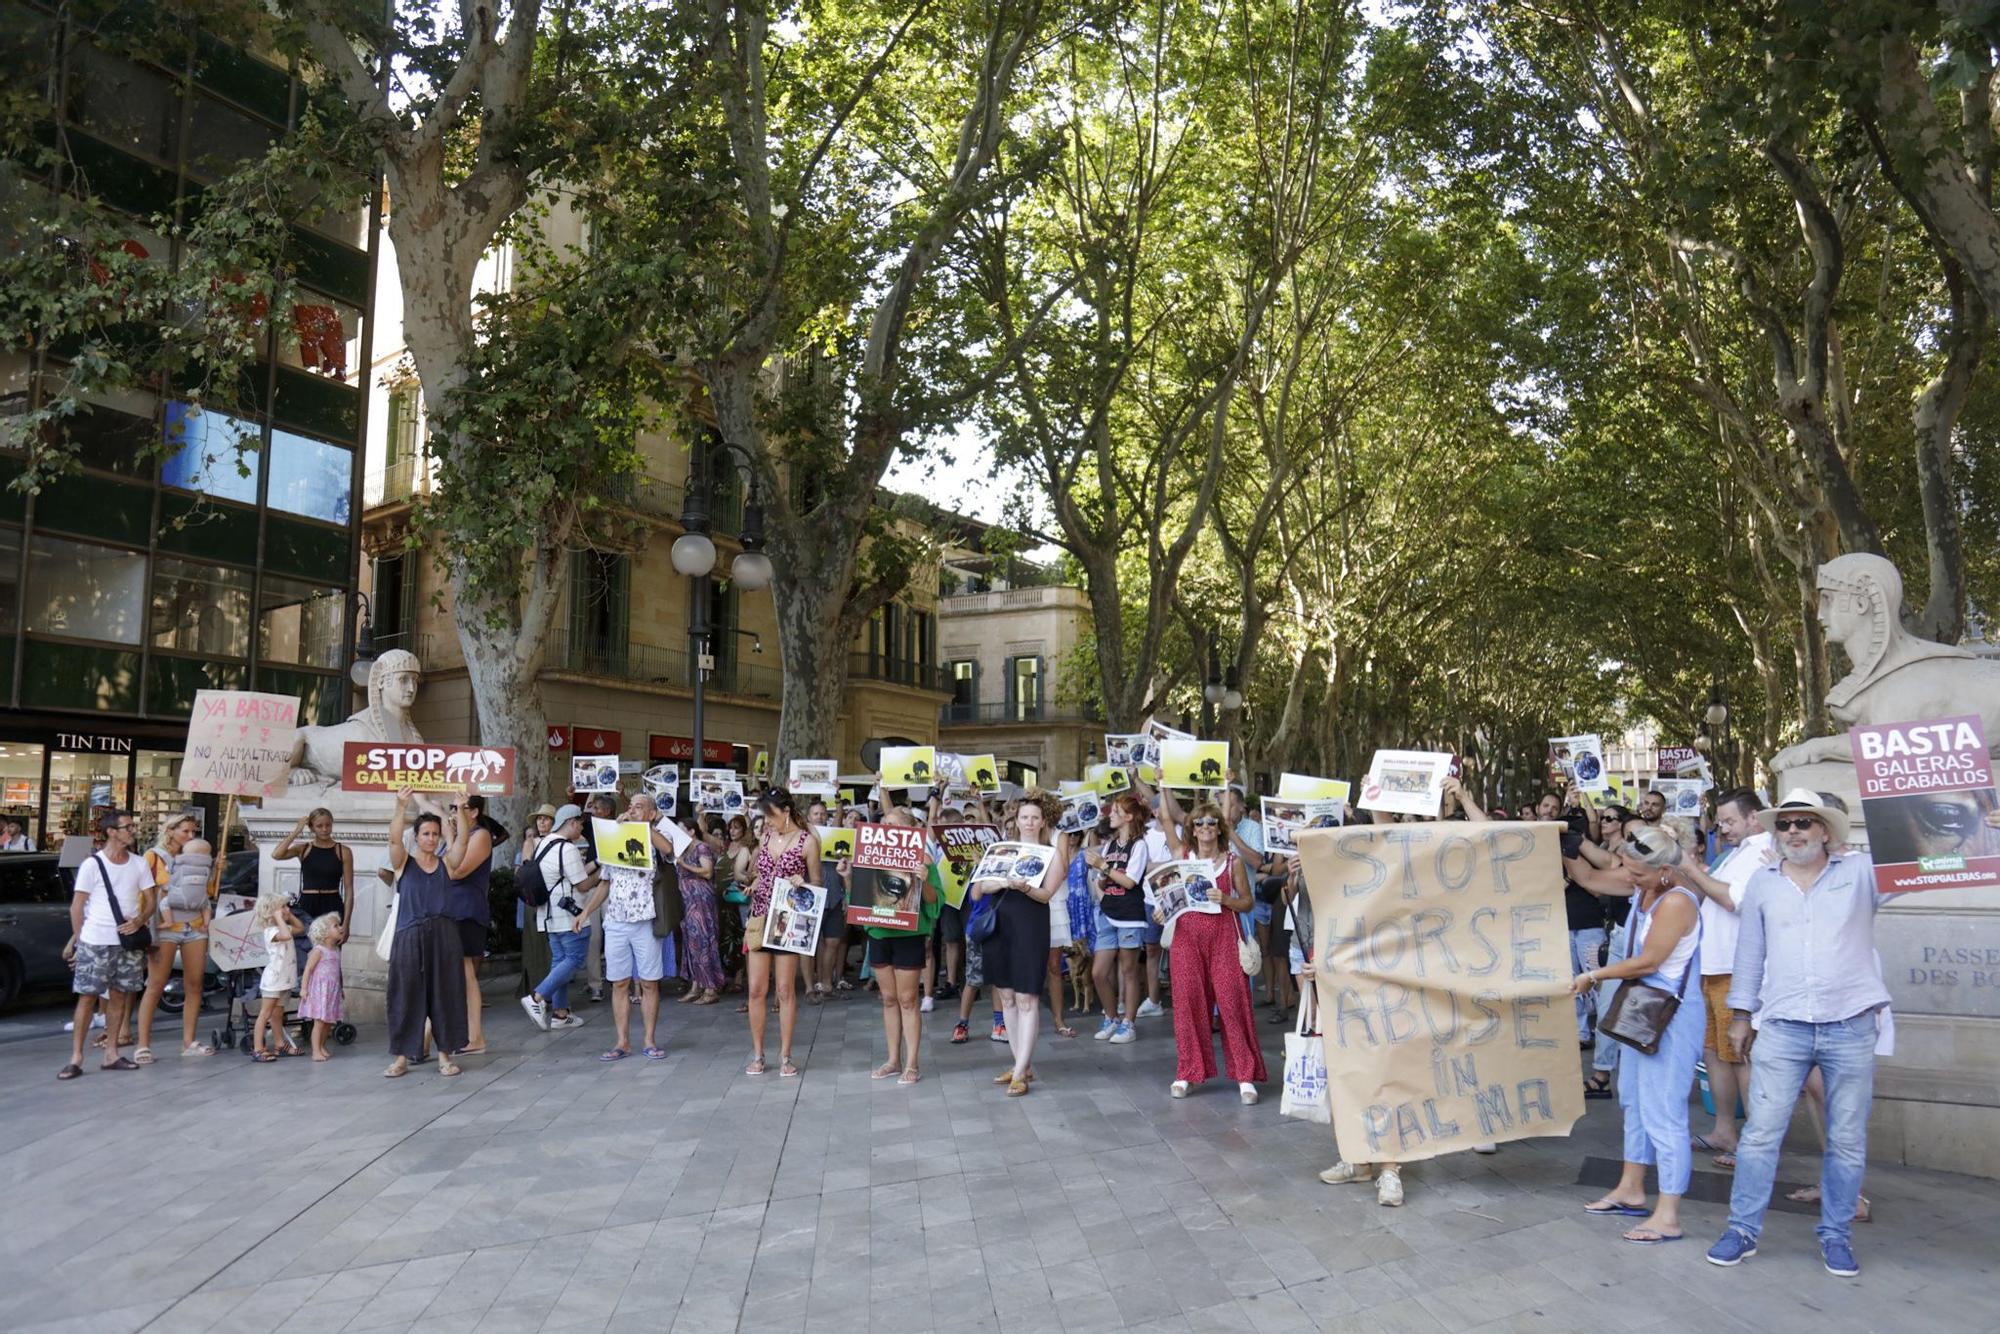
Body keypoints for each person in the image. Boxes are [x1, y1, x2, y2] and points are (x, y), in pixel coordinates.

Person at [1707, 790, 1897, 1279]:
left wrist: (1986, 837)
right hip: (1783, 1026)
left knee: (1848, 1140)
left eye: (1804, 823)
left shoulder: (1860, 873)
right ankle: (1742, 1230)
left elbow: (1929, 870)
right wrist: (1742, 1014)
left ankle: (1836, 1235)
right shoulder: (1764, 884)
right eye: (1785, 823)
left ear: (1825, 831)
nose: (1793, 831)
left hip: (1850, 1024)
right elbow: (1750, 954)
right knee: (1760, 1136)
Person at [1571, 823, 1703, 1245]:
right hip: (1641, 1008)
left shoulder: (1678, 900)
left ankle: (1668, 1214)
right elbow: (1589, 877)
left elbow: (1650, 961)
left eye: (1637, 874)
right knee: (1634, 1101)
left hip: (1670, 1015)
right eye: (1626, 870)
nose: (1629, 879)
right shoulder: (1645, 886)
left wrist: (1595, 974)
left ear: (1664, 870)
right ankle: (1631, 1188)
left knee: (1665, 1111)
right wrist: (1562, 842)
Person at [1661, 789, 1769, 1160]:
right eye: (1720, 821)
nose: (1722, 829)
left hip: (1734, 969)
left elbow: (1733, 900)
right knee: (1713, 1053)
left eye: (1729, 821)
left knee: (1739, 1054)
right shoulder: (1735, 853)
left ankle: (1755, 1143)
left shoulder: (1761, 851)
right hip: (1711, 965)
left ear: (1754, 817)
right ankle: (1725, 1130)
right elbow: (1709, 893)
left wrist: (1688, 867)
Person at [1155, 792, 1266, 1103]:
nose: (1205, 827)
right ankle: (1188, 1071)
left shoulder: (1233, 864)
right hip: (1187, 939)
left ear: (1220, 828)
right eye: (1199, 822)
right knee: (1188, 1003)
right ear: (1192, 828)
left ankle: (1245, 1075)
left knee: (1232, 1003)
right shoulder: (1182, 856)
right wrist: (1162, 785)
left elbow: (1248, 903)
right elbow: (1166, 820)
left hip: (1223, 938)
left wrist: (1226, 899)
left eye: (1211, 823)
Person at [969, 790, 1067, 1096]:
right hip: (1001, 927)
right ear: (1016, 819)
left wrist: (1024, 888)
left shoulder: (1052, 854)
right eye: (1024, 816)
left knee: (1027, 999)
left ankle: (1021, 1072)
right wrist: (1002, 882)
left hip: (1030, 927)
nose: (1028, 822)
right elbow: (976, 892)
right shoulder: (1000, 849)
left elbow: (1046, 895)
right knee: (1007, 997)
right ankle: (1020, 1066)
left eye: (1034, 817)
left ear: (1042, 821)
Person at [57, 810, 155, 1080]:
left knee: (121, 996)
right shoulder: (93, 864)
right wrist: (79, 941)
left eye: (133, 826)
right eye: (127, 827)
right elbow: (77, 906)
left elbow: (151, 899)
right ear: (111, 831)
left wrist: (140, 920)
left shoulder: (138, 863)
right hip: (96, 939)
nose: (132, 830)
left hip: (127, 941)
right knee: (88, 997)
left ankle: (111, 1052)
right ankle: (76, 1057)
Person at [577, 792, 674, 1061]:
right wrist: (586, 910)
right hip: (616, 921)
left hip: (645, 920)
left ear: (652, 813)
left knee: (649, 982)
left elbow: (669, 850)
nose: (632, 810)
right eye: (630, 806)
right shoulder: (615, 838)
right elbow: (605, 882)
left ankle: (649, 1040)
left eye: (639, 807)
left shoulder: (653, 837)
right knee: (619, 982)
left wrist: (642, 826)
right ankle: (622, 1041)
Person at [383, 789, 468, 1078]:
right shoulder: (402, 864)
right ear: (416, 837)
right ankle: (401, 1058)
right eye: (426, 834)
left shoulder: (446, 864)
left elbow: (463, 843)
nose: (431, 838)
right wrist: (400, 805)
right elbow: (394, 839)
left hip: (444, 938)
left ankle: (445, 1056)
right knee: (406, 996)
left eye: (435, 834)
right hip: (409, 938)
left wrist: (461, 809)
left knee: (444, 995)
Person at [743, 790, 821, 1077]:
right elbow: (760, 873)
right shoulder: (764, 838)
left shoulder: (807, 841)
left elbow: (818, 883)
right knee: (756, 989)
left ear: (786, 811)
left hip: (788, 919)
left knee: (785, 990)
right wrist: (755, 883)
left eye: (771, 815)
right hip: (761, 915)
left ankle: (786, 1055)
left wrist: (804, 883)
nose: (767, 821)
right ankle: (758, 1053)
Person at [860, 807, 939, 1084]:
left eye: (892, 824)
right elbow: (858, 897)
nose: (886, 828)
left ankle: (912, 1063)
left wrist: (925, 879)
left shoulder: (923, 858)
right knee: (889, 999)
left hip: (909, 935)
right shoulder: (870, 854)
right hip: (880, 933)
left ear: (907, 829)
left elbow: (934, 901)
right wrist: (848, 876)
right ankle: (893, 1060)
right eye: (883, 823)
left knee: (908, 999)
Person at [134, 814, 215, 1061]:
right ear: (170, 831)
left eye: (193, 831)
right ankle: (143, 1044)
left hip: (195, 924)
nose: (191, 836)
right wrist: (144, 926)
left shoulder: (198, 856)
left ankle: (188, 1041)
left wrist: (215, 871)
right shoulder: (154, 856)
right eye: (186, 831)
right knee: (155, 984)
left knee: (195, 984)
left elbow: (207, 892)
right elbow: (144, 894)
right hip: (165, 926)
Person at [520, 804, 597, 1031]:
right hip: (569, 915)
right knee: (574, 959)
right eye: (581, 823)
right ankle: (537, 997)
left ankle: (561, 1014)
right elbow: (582, 885)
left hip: (548, 915)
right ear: (571, 822)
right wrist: (602, 875)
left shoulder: (543, 843)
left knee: (560, 962)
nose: (582, 828)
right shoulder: (567, 849)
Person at [443, 791, 505, 1056]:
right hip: (453, 910)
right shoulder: (460, 836)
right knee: (457, 975)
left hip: (467, 911)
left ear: (474, 812)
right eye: (452, 808)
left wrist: (445, 851)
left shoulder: (480, 835)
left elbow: (457, 871)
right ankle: (462, 1034)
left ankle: (475, 1036)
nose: (454, 813)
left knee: (467, 974)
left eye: (459, 808)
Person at [1086, 792, 1150, 1043]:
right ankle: (1111, 1017)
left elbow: (1130, 881)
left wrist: (1104, 867)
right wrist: (1102, 875)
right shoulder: (1110, 845)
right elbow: (1111, 877)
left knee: (1129, 971)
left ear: (1129, 817)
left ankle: (1129, 1023)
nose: (1110, 814)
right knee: (1098, 973)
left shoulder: (1140, 845)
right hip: (1108, 912)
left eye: (1115, 811)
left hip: (1130, 915)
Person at [271, 807, 353, 976]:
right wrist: (297, 831)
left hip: (332, 904)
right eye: (319, 826)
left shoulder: (343, 851)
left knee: (332, 957)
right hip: (308, 903)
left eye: (328, 825)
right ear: (312, 827)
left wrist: (346, 924)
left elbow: (350, 890)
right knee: (307, 955)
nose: (324, 829)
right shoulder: (304, 849)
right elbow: (276, 855)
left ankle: (333, 996)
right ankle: (307, 994)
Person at [249, 888, 304, 1062]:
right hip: (273, 980)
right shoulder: (271, 931)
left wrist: (288, 915)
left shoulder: (283, 927)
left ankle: (280, 1044)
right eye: (283, 907)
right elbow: (287, 936)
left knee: (278, 1014)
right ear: (271, 912)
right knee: (265, 1014)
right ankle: (258, 1048)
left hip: (284, 979)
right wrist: (280, 917)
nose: (287, 909)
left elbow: (300, 928)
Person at [677, 815, 724, 1004]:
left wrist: (683, 864)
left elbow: (707, 871)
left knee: (704, 942)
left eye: (681, 830)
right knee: (691, 943)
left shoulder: (701, 847)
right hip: (689, 901)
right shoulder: (684, 849)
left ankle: (710, 988)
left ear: (691, 831)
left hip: (701, 901)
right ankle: (696, 986)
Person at [298, 912, 345, 1060]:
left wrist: (341, 989)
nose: (340, 928)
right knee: (319, 1022)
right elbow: (308, 970)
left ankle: (322, 1046)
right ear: (325, 933)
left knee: (327, 1022)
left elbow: (337, 971)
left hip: (332, 991)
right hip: (320, 991)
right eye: (335, 926)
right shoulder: (319, 951)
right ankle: (315, 1051)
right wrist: (304, 989)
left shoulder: (336, 950)